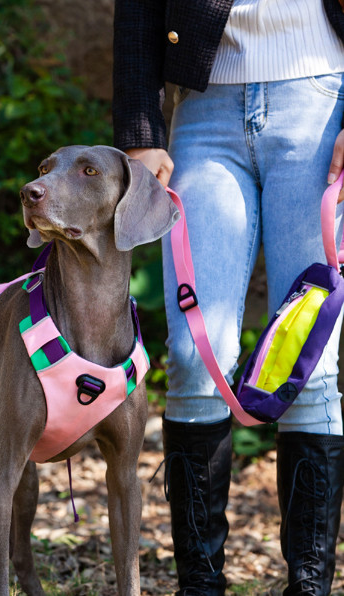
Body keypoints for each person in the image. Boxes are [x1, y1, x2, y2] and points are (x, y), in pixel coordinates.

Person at [113, 1, 344, 594]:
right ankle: (199, 586)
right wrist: (140, 133)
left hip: (320, 99)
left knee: (308, 362)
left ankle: (309, 587)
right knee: (194, 358)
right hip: (203, 110)